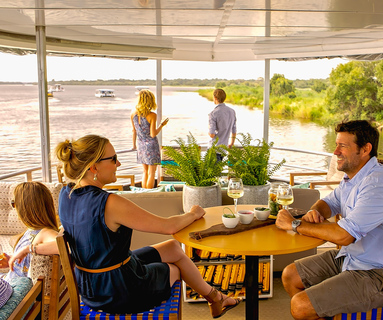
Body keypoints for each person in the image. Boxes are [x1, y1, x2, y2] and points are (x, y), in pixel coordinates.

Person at [55, 134, 241, 316]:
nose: (118, 164)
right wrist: (193, 214)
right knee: (176, 270)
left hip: (92, 285)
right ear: (94, 167)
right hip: (117, 290)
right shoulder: (109, 203)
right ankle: (217, 298)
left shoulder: (66, 194)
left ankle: (217, 298)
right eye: (114, 159)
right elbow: (168, 227)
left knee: (173, 247)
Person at [275, 120, 383, 320]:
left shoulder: (378, 184)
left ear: (365, 149)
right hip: (354, 258)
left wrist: (296, 224)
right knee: (290, 275)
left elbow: (344, 236)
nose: (335, 152)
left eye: (343, 146)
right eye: (336, 145)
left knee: (300, 306)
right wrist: (316, 211)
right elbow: (329, 202)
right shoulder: (354, 176)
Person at [2, 182, 60, 282]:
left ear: (25, 207)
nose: (14, 207)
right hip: (9, 282)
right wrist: (13, 260)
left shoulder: (46, 232)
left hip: (13, 291)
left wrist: (27, 249)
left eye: (14, 203)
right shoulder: (33, 231)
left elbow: (65, 247)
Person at [131, 89, 169, 189]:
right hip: (151, 145)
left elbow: (134, 131)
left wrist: (134, 145)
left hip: (140, 145)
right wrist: (161, 125)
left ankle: (144, 193)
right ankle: (150, 193)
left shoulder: (133, 114)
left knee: (145, 172)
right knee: (152, 172)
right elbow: (153, 134)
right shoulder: (152, 115)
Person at [208, 88, 236, 161]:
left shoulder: (213, 113)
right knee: (219, 170)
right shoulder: (232, 111)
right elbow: (234, 130)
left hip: (214, 149)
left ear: (215, 98)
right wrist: (231, 143)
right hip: (224, 149)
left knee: (213, 172)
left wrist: (209, 129)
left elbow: (212, 134)